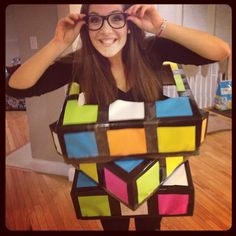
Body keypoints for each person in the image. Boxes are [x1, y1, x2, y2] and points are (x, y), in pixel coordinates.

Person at [7, 4, 230, 231]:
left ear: (129, 24)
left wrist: (160, 26)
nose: (105, 30)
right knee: (114, 227)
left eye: (116, 18)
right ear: (86, 26)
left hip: (154, 170)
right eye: (95, 20)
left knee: (150, 226)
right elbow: (16, 87)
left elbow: (220, 51)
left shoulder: (151, 50)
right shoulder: (81, 63)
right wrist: (59, 43)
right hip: (107, 175)